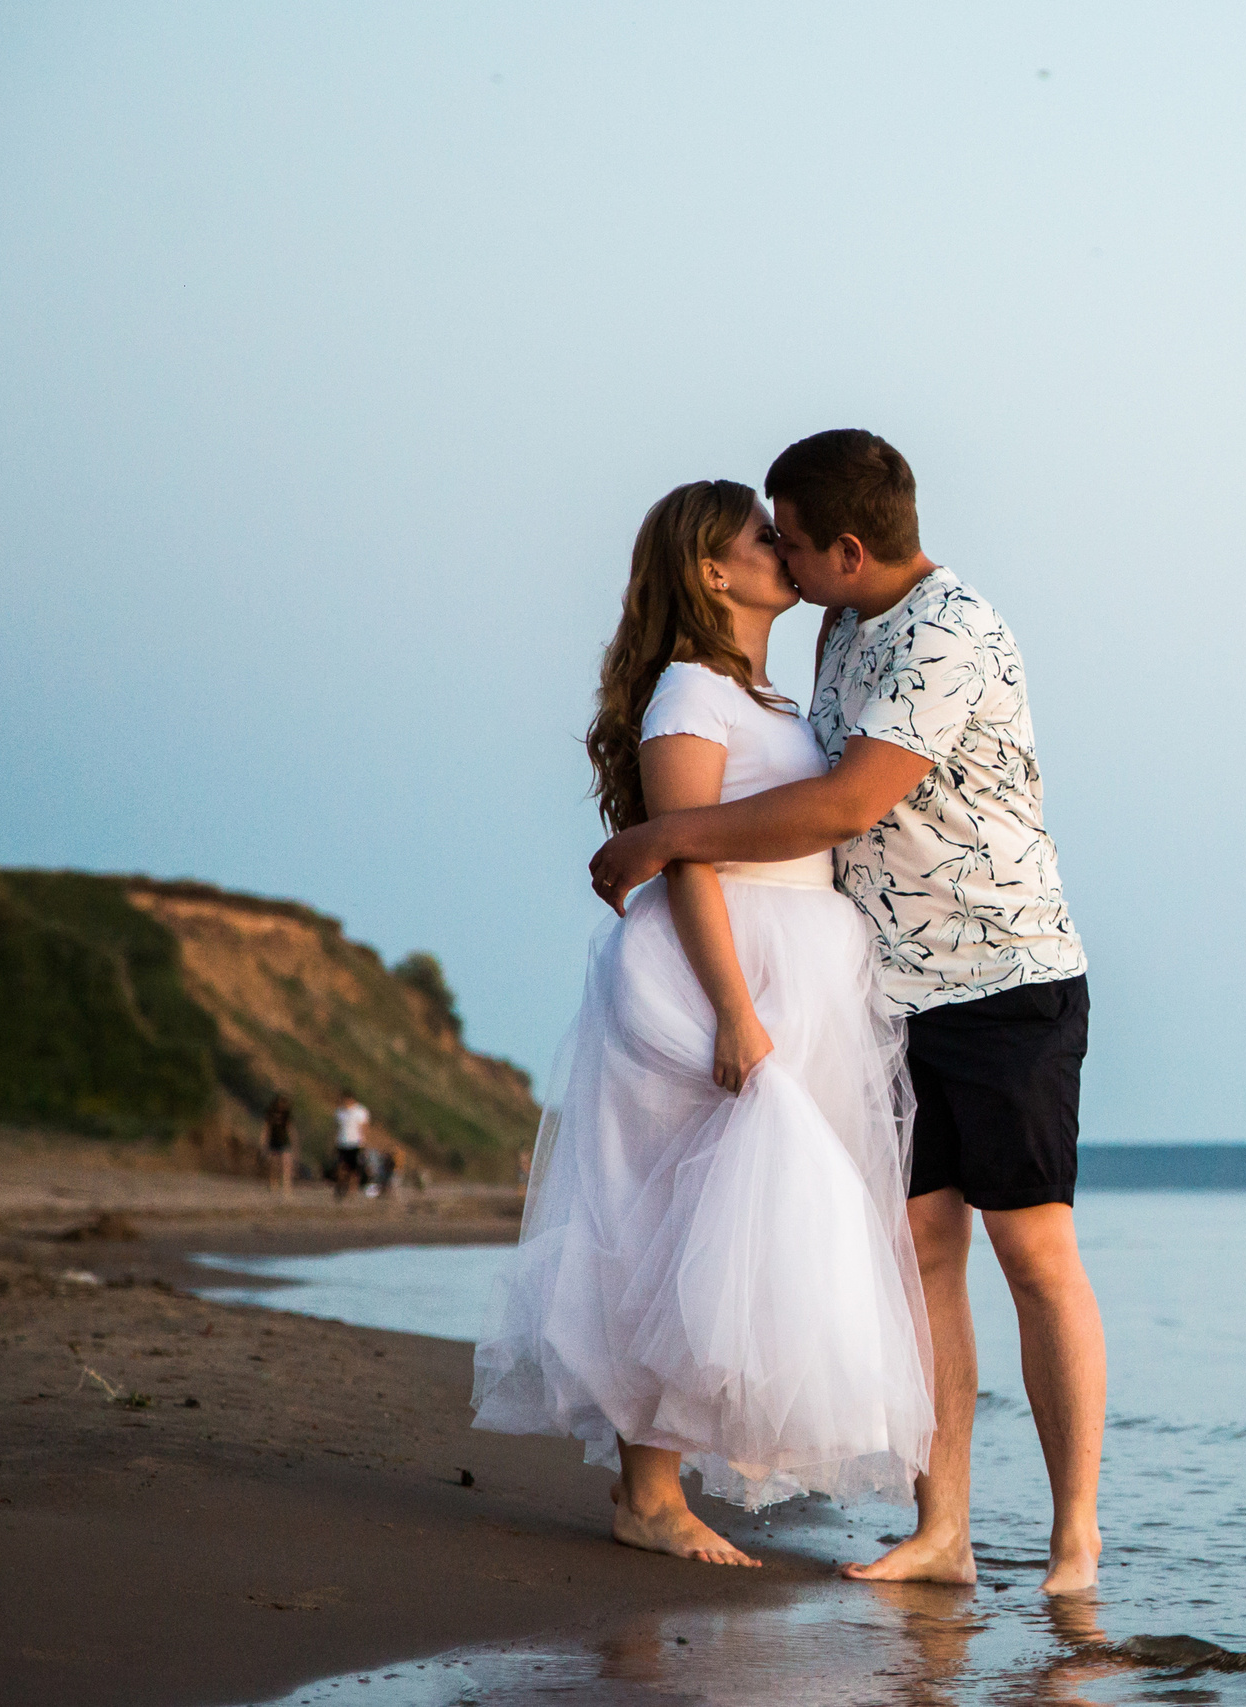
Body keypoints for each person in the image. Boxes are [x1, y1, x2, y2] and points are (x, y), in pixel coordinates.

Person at [588, 430, 1104, 1595]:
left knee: (1033, 1251)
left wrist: (664, 836)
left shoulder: (948, 633)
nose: (783, 555)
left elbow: (847, 799)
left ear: (848, 548)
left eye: (793, 539)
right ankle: (946, 1529)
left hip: (1001, 982)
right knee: (922, 1250)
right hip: (889, 995)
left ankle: (1074, 1543)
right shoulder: (837, 629)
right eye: (764, 537)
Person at [472, 479, 934, 1569]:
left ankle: (668, 1481)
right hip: (712, 968)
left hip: (796, 961)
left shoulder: (771, 699)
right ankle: (648, 1495)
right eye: (760, 541)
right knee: (659, 1219)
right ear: (711, 572)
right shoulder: (688, 689)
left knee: (732, 1222)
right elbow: (686, 855)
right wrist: (733, 1008)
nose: (785, 552)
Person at [332, 1092, 370, 1200]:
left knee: (354, 1169)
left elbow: (364, 1127)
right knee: (341, 1166)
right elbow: (336, 1128)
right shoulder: (339, 1112)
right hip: (342, 1143)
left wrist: (364, 1142)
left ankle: (351, 1191)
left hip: (355, 1143)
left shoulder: (360, 1111)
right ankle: (340, 1186)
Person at [261, 1094, 295, 1195]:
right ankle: (273, 1183)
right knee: (274, 1164)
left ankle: (286, 1186)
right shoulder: (270, 1114)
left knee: (286, 1164)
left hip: (284, 1142)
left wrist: (293, 1142)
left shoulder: (286, 1114)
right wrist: (263, 1142)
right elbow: (266, 1129)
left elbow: (290, 1129)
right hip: (273, 1141)